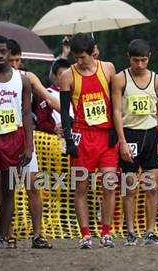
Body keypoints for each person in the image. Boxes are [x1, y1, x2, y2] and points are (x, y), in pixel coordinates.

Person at [59, 33, 119, 248]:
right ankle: (85, 234)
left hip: (105, 136)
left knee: (109, 185)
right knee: (81, 188)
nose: (79, 61)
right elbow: (65, 112)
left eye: (83, 57)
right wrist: (69, 139)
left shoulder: (108, 68)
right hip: (82, 137)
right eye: (76, 57)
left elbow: (116, 101)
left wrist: (114, 128)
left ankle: (106, 232)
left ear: (93, 51)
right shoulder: (67, 76)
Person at [112, 39, 158, 246]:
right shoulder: (120, 79)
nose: (140, 65)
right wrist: (122, 141)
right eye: (136, 61)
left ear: (149, 57)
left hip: (151, 135)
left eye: (144, 60)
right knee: (130, 188)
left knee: (151, 188)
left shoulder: (157, 79)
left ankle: (150, 231)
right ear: (129, 58)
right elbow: (116, 111)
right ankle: (131, 232)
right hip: (130, 135)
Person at [6, 39, 53, 248]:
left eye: (18, 60)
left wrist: (72, 116)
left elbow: (49, 99)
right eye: (12, 60)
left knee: (33, 187)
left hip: (25, 139)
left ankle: (38, 235)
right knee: (5, 190)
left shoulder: (28, 77)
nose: (16, 65)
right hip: (1, 139)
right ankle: (5, 235)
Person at [0, 35, 32, 248]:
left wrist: (29, 146)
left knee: (9, 190)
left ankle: (2, 234)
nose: (0, 55)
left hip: (14, 138)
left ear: (9, 53)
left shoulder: (22, 80)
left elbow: (27, 115)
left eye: (3, 51)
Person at [36, 58, 72, 134]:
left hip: (78, 138)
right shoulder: (46, 94)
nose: (65, 77)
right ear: (54, 75)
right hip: (57, 141)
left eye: (67, 74)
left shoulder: (75, 92)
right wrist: (53, 127)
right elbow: (41, 122)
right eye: (61, 74)